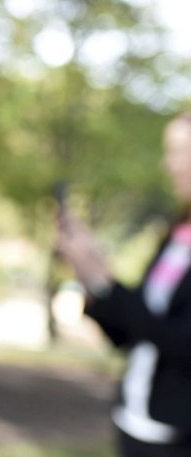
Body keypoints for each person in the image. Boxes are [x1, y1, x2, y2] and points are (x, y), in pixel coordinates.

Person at [58, 111, 191, 457]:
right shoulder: (175, 235)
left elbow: (180, 342)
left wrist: (107, 280)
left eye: (180, 151)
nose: (170, 165)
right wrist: (90, 273)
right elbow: (132, 333)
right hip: (134, 425)